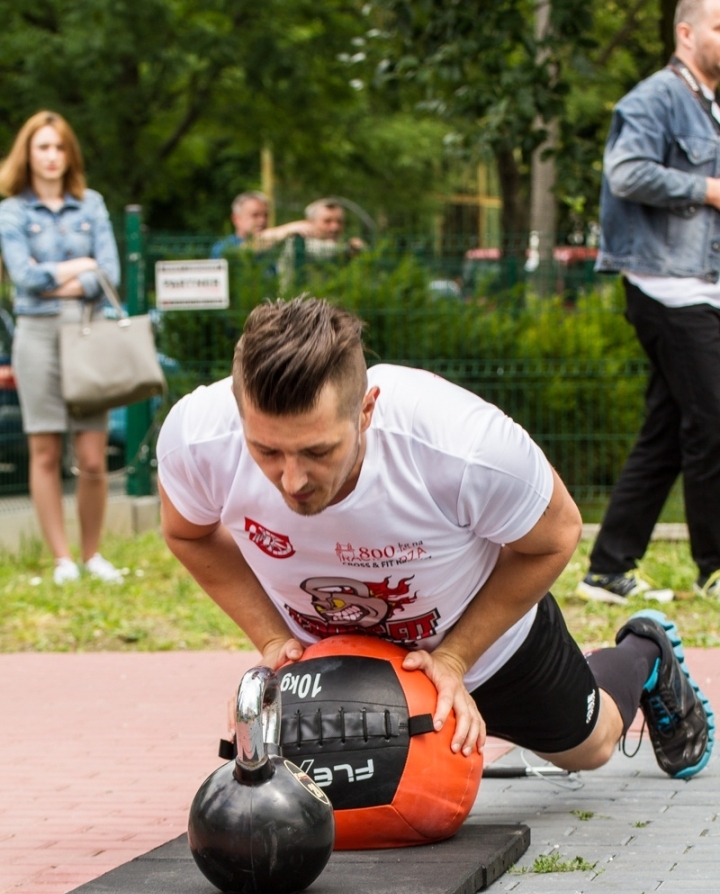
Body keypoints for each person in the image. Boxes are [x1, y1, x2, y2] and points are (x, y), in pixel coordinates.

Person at [157, 295, 714, 785]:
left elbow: (557, 535)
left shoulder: (461, 447)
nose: (292, 480)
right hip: (332, 658)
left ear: (366, 411)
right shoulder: (199, 439)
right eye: (268, 452)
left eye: (318, 451)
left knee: (588, 750)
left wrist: (453, 658)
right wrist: (274, 640)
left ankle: (645, 651)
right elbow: (189, 534)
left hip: (484, 645)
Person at [578, 0, 720, 605]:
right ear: (685, 33)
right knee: (714, 422)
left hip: (699, 286)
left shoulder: (708, 107)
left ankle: (607, 567)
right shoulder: (654, 98)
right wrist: (706, 188)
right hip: (667, 288)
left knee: (668, 431)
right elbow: (625, 172)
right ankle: (715, 568)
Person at [0, 111, 124, 585]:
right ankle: (62, 560)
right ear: (27, 154)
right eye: (42, 148)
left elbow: (108, 276)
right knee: (45, 450)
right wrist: (80, 266)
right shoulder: (12, 210)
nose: (51, 157)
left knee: (92, 456)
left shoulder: (91, 204)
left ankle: (93, 554)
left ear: (69, 153)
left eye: (59, 147)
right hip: (36, 337)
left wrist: (57, 276)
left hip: (87, 334)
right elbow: (24, 281)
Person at [210, 192, 269, 258]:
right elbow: (238, 255)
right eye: (254, 215)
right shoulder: (223, 248)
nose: (262, 220)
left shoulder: (273, 248)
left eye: (266, 215)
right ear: (236, 219)